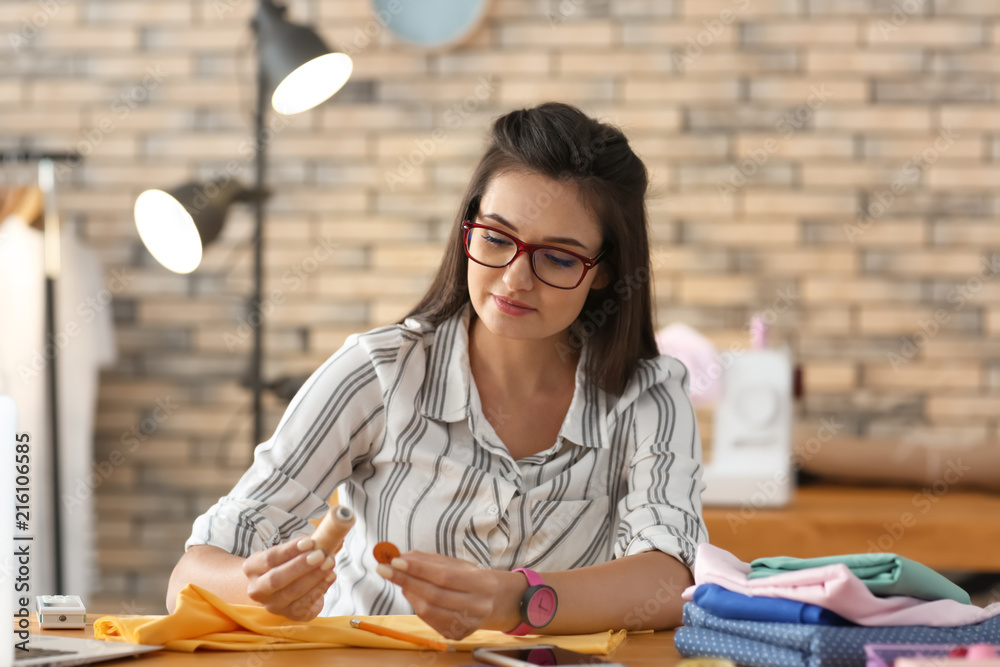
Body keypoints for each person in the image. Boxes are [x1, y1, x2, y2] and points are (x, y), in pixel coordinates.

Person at [167, 102, 707, 638]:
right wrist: (258, 588)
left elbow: (670, 582)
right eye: (496, 238)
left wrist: (515, 599)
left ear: (605, 271)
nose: (516, 279)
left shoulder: (648, 394)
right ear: (467, 230)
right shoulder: (379, 374)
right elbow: (189, 578)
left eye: (559, 258)